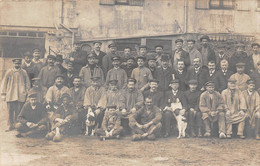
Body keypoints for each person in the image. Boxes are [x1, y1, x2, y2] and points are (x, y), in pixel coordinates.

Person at [1, 58, 31, 131]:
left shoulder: (23, 72)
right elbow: (4, 83)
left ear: (20, 64)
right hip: (11, 94)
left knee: (19, 111)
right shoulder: (9, 72)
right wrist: (3, 94)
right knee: (10, 111)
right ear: (13, 64)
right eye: (16, 63)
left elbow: (27, 82)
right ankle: (10, 125)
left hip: (20, 95)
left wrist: (27, 91)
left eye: (18, 63)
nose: (17, 65)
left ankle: (18, 125)